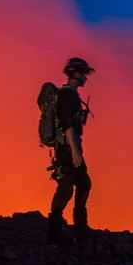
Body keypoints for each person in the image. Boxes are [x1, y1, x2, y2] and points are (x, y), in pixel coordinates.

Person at [47, 57, 94, 244]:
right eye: (83, 73)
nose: (85, 77)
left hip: (71, 147)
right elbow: (67, 125)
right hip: (67, 149)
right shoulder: (67, 95)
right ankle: (55, 229)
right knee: (66, 187)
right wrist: (75, 151)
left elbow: (72, 123)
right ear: (75, 73)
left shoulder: (72, 95)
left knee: (83, 183)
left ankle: (79, 227)